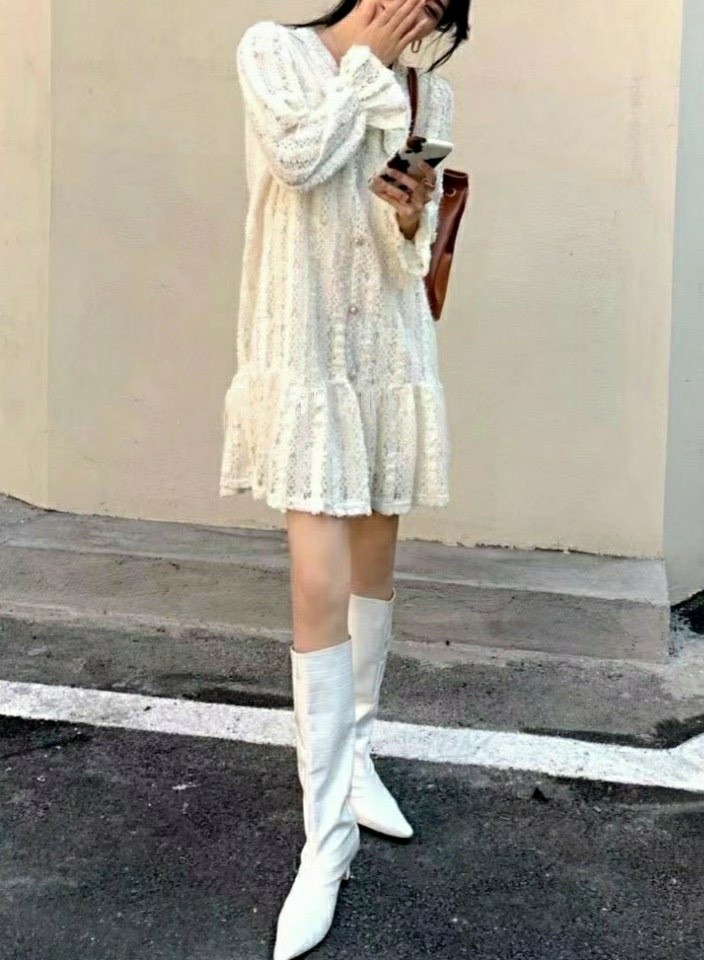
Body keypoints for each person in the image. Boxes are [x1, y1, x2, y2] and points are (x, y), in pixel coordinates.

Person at [220, 1, 469, 956]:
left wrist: (412, 214)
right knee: (316, 586)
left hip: (387, 352)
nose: (419, 18)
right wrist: (363, 62)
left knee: (373, 571)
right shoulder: (274, 51)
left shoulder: (426, 92)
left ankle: (357, 754)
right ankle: (325, 844)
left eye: (438, 11)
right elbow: (297, 159)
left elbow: (413, 251)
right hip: (307, 352)